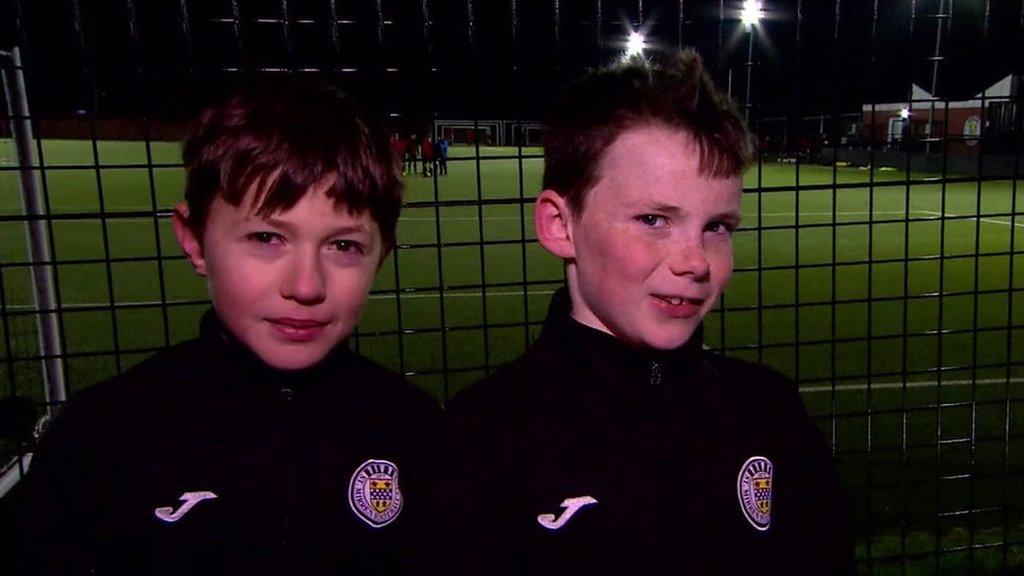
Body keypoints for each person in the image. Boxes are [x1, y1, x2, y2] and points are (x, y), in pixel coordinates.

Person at [441, 50, 855, 575]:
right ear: (560, 226)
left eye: (718, 226)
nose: (695, 261)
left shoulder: (770, 412)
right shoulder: (485, 435)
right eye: (654, 219)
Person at [13, 77, 441, 575]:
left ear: (382, 254)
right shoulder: (99, 438)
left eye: (344, 246)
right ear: (193, 240)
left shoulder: (417, 429)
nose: (306, 285)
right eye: (266, 237)